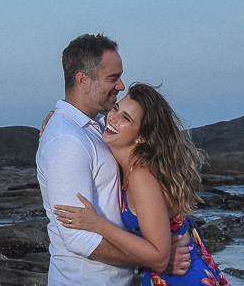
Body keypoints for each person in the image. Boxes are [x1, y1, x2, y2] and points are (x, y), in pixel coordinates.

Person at [36, 35, 190, 286]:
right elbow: (78, 238)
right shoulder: (67, 141)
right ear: (83, 80)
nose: (120, 85)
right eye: (112, 78)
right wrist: (154, 259)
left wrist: (154, 256)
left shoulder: (97, 127)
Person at [53, 82, 228, 286]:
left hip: (181, 278)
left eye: (126, 118)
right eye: (116, 108)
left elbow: (159, 257)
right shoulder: (129, 164)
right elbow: (87, 121)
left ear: (142, 136)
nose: (113, 118)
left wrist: (97, 224)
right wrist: (57, 119)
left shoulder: (141, 176)